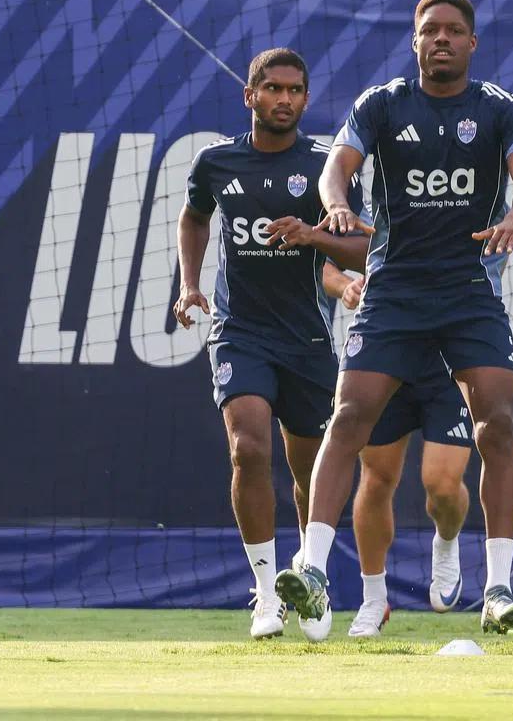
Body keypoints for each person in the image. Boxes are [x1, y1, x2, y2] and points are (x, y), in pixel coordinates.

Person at [274, 0, 513, 640]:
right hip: (393, 292)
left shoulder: (499, 109)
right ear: (416, 41)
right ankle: (312, 569)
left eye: (454, 30)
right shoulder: (383, 104)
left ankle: (498, 588)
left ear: (472, 44)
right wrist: (336, 204)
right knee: (350, 419)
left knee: (498, 426)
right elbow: (336, 169)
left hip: (466, 292)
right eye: (431, 31)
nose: (442, 39)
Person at [173, 48, 365, 639]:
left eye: (295, 90)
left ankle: (310, 579)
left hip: (307, 339)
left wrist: (311, 235)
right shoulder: (216, 162)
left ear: (306, 99)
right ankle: (264, 594)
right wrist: (189, 285)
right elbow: (194, 218)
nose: (284, 99)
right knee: (248, 451)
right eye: (273, 88)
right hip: (239, 333)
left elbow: (361, 247)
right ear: (249, 96)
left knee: (309, 471)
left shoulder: (326, 166)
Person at [323, 265, 475, 638]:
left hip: (448, 350)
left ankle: (446, 539)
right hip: (383, 347)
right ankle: (374, 599)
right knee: (375, 480)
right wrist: (345, 285)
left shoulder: (464, 204)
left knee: (441, 485)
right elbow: (316, 250)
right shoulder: (344, 205)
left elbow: (491, 248)